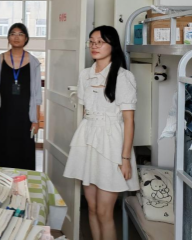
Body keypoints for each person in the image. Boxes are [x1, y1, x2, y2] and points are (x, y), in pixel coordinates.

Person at [64, 26, 139, 241]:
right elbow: (85, 110)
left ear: (112, 46)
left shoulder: (123, 77)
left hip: (112, 144)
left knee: (105, 212)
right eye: (91, 41)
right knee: (92, 208)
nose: (94, 46)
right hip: (88, 140)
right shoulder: (85, 75)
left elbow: (129, 121)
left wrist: (125, 159)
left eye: (100, 42)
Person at [0, 23, 42, 171]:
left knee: (23, 153)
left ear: (26, 38)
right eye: (13, 34)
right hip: (2, 116)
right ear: (8, 38)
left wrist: (36, 120)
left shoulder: (33, 62)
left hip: (24, 117)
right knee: (1, 151)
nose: (16, 37)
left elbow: (36, 94)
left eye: (20, 34)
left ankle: (23, 183)